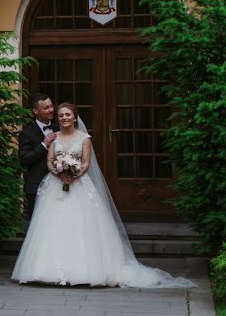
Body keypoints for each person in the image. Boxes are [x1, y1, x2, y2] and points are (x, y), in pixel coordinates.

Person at [11, 102, 195, 288]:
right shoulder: (54, 138)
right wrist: (58, 172)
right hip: (55, 187)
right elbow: (50, 161)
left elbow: (85, 163)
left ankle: (86, 270)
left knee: (82, 225)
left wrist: (75, 174)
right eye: (61, 116)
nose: (64, 118)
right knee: (52, 225)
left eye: (67, 115)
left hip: (78, 186)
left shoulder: (84, 138)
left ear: (75, 117)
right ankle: (45, 270)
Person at [18, 93, 57, 219]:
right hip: (36, 186)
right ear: (35, 111)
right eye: (46, 108)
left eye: (51, 106)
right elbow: (24, 159)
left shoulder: (59, 128)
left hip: (58, 184)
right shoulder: (27, 133)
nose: (51, 110)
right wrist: (44, 145)